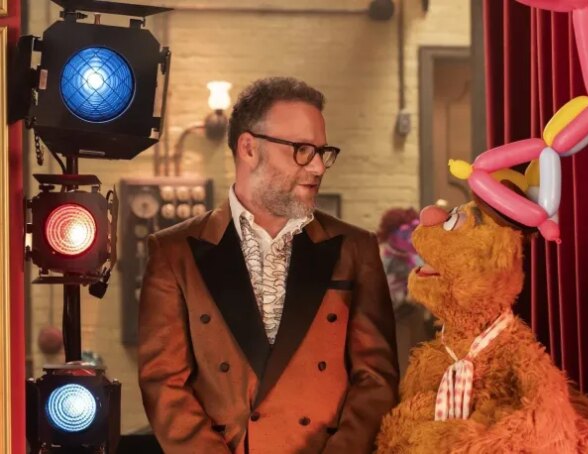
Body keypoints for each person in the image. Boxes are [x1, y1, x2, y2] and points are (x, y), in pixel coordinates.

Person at [138, 76, 399, 454]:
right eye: (302, 150)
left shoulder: (355, 248)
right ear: (249, 148)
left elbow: (376, 380)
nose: (318, 167)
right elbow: (164, 385)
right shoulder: (173, 252)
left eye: (322, 152)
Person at [377, 208, 434, 376]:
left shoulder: (414, 256)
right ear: (391, 233)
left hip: (414, 319)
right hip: (392, 322)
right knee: (400, 368)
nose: (409, 238)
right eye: (404, 233)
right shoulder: (382, 257)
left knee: (417, 365)